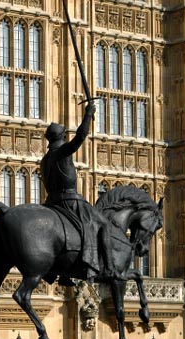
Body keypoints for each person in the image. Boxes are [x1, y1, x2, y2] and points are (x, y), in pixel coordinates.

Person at [40, 102, 118, 283]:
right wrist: (89, 113)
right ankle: (107, 269)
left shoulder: (46, 159)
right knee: (103, 225)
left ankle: (64, 272)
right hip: (69, 200)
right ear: (62, 137)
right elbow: (81, 136)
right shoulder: (62, 153)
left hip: (52, 203)